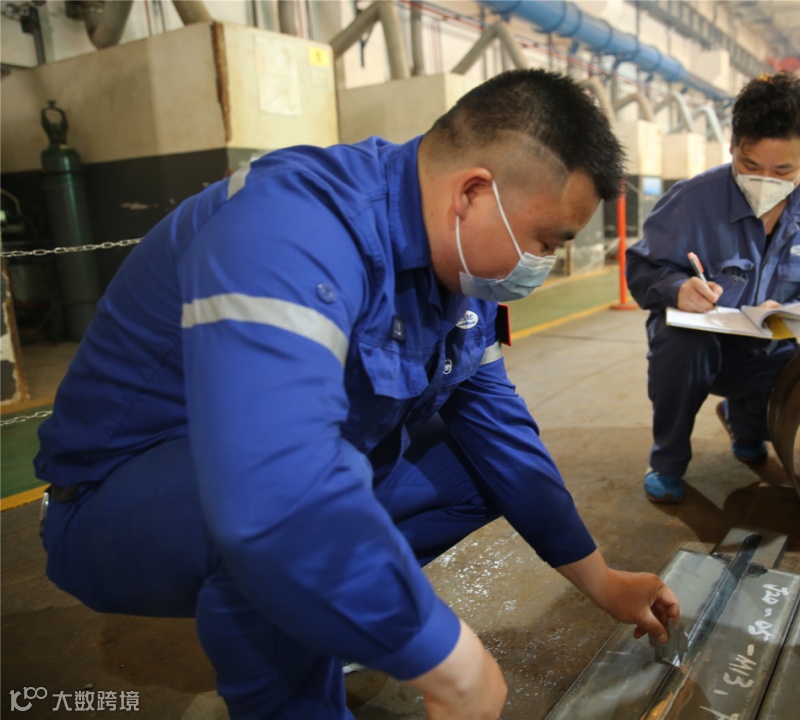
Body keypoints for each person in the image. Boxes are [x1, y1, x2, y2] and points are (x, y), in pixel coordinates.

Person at [35, 69, 679, 719]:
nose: (542, 264)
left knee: (476, 470)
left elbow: (502, 434)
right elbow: (273, 487)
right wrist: (444, 655)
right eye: (544, 242)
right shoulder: (291, 228)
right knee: (288, 522)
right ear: (473, 193)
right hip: (117, 504)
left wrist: (601, 581)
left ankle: (334, 607)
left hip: (272, 477)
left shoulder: (460, 274)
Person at [626, 72, 800, 504]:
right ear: (732, 145)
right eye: (750, 166)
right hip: (699, 346)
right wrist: (676, 287)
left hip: (772, 346)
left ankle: (746, 422)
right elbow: (641, 266)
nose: (765, 179)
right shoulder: (692, 200)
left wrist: (788, 314)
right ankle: (667, 460)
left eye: (783, 170)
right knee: (681, 346)